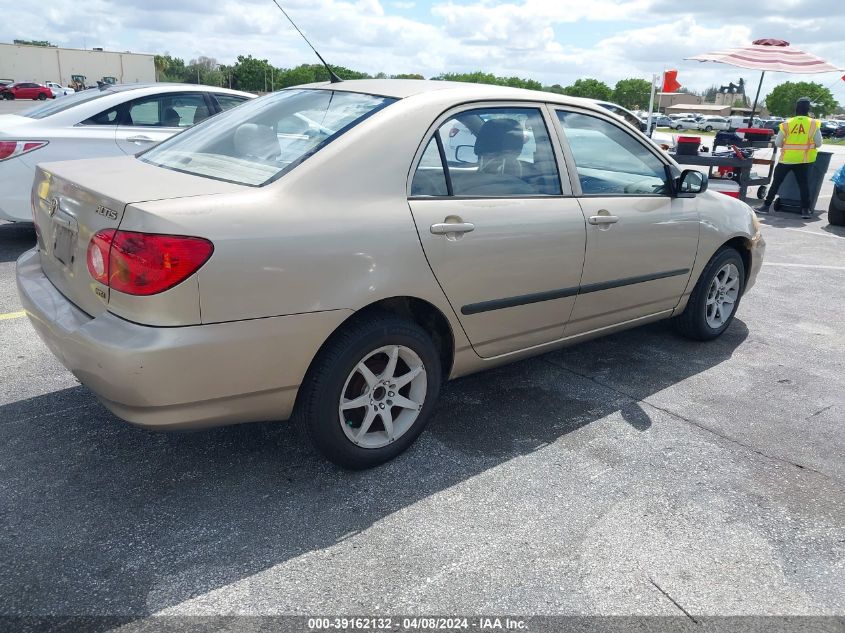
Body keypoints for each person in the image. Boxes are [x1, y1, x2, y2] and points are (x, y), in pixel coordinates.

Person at [758, 97, 823, 219]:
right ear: (808, 109)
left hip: (785, 159)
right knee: (803, 185)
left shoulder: (787, 123)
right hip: (804, 160)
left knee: (776, 183)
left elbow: (777, 143)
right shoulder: (813, 123)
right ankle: (805, 210)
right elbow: (819, 143)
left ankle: (766, 207)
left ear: (796, 109)